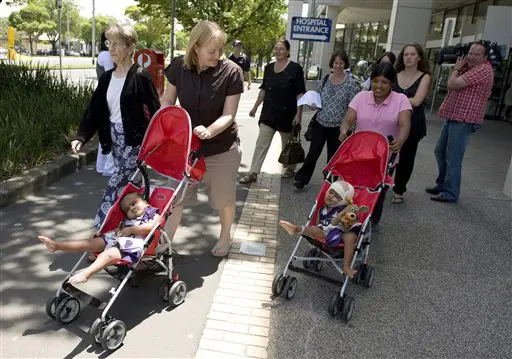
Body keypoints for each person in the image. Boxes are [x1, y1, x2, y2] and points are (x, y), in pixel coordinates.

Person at [160, 21, 244, 257]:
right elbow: (167, 100)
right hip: (187, 148)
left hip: (221, 147)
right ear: (195, 47)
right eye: (211, 50)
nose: (217, 55)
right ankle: (164, 244)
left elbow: (229, 114)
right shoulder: (179, 66)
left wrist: (209, 131)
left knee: (223, 198)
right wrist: (168, 120)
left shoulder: (231, 72)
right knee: (175, 197)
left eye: (220, 50)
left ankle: (225, 235)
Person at [71, 24, 160, 230]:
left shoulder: (141, 76)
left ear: (130, 48)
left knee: (115, 184)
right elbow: (94, 110)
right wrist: (81, 136)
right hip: (114, 138)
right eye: (109, 44)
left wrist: (155, 144)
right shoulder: (106, 78)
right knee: (131, 188)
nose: (111, 48)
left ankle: (100, 230)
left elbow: (155, 112)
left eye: (116, 44)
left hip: (136, 141)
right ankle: (140, 228)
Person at [339, 62, 411, 227]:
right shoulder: (361, 97)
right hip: (359, 153)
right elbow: (348, 119)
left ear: (392, 83)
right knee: (353, 189)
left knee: (376, 192)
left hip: (385, 156)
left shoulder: (401, 100)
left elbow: (405, 124)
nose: (379, 86)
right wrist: (344, 131)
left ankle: (371, 221)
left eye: (384, 82)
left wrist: (400, 140)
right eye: (376, 81)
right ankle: (349, 217)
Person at [38, 192, 160, 284]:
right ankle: (57, 245)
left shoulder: (152, 214)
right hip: (117, 240)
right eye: (128, 209)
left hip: (132, 247)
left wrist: (132, 229)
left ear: (146, 202)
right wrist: (104, 234)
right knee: (88, 243)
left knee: (107, 254)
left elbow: (153, 226)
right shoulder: (127, 221)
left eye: (134, 203)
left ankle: (86, 274)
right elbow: (117, 231)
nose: (132, 208)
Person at [426, 41, 494, 202]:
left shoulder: (483, 69)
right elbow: (453, 86)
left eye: (476, 54)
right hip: (454, 116)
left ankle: (450, 192)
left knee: (453, 156)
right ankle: (442, 184)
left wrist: (456, 68)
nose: (471, 56)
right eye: (470, 52)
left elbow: (452, 83)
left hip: (464, 119)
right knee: (440, 151)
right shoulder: (470, 68)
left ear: (485, 57)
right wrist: (460, 67)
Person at [239, 39, 306, 184]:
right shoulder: (269, 68)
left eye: (281, 49)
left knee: (286, 145)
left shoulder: (295, 69)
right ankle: (253, 173)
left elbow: (300, 93)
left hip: (288, 114)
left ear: (288, 51)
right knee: (261, 144)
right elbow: (263, 89)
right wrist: (255, 106)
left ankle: (290, 168)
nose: (278, 51)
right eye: (276, 48)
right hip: (269, 113)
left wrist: (298, 114)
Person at [294, 50, 359, 189]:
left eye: (341, 63)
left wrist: (348, 127)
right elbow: (317, 96)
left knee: (333, 157)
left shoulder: (351, 83)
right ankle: (302, 178)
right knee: (313, 153)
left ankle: (331, 182)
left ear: (345, 64)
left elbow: (353, 106)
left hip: (338, 126)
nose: (338, 66)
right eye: (336, 62)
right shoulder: (325, 79)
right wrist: (313, 104)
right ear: (332, 63)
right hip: (320, 122)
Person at [279, 180, 362, 278]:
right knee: (317, 229)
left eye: (337, 196)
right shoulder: (321, 210)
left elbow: (355, 215)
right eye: (331, 192)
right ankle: (296, 229)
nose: (331, 196)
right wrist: (319, 228)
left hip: (344, 230)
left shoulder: (345, 209)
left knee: (350, 238)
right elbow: (318, 224)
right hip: (327, 231)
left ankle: (346, 266)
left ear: (344, 201)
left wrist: (349, 214)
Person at [391, 43, 431, 204]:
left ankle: (399, 189)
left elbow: (417, 100)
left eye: (412, 54)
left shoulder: (425, 76)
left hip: (413, 121)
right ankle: (381, 183)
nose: (408, 57)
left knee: (407, 156)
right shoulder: (395, 74)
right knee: (388, 153)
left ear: (419, 57)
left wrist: (396, 100)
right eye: (406, 54)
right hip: (392, 119)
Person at [95, 30, 116, 177]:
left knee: (106, 129)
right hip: (109, 95)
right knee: (110, 130)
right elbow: (111, 75)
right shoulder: (106, 55)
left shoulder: (103, 54)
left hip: (105, 94)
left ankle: (102, 165)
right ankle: (108, 167)